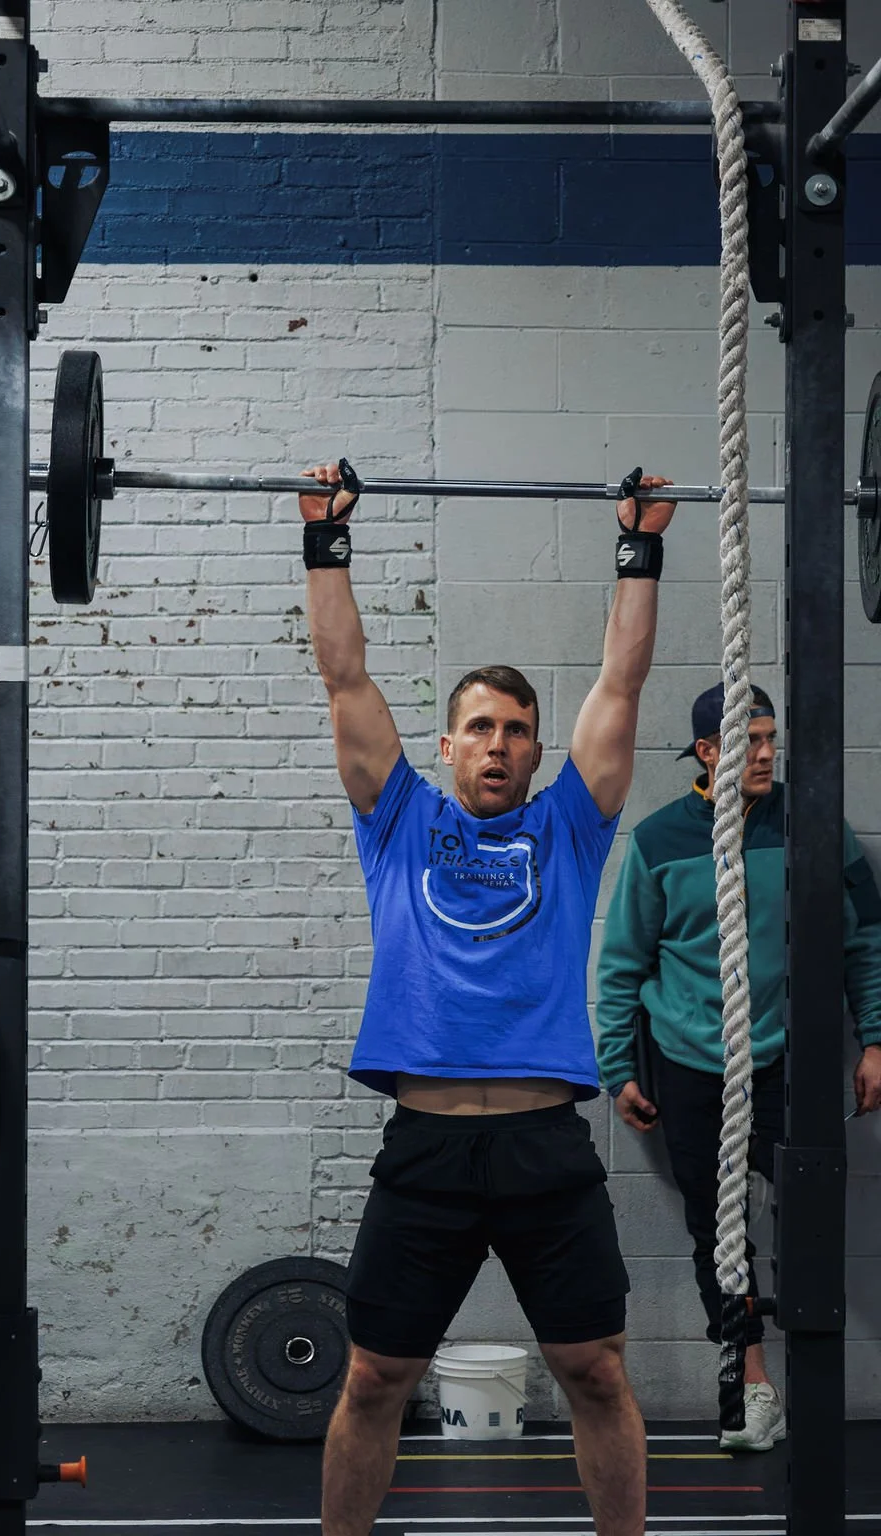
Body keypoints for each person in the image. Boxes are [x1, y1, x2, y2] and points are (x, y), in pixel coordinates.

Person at [300, 460, 677, 1536]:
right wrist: (326, 540)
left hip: (541, 1149)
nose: (499, 746)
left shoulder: (569, 827)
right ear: (448, 743)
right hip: (423, 1152)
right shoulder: (399, 821)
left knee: (595, 1374)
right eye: (480, 728)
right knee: (372, 1378)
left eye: (517, 729)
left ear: (534, 746)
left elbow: (621, 684)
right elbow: (344, 680)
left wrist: (638, 547)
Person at [596, 682, 881, 1452]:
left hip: (789, 1058)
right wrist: (618, 1067)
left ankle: (817, 1382)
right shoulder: (660, 840)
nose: (765, 754)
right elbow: (622, 963)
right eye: (748, 742)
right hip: (690, 1065)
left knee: (811, 1217)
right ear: (708, 751)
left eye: (770, 738)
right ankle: (753, 1386)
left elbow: (864, 941)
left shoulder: (812, 824)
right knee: (717, 1235)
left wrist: (877, 1041)